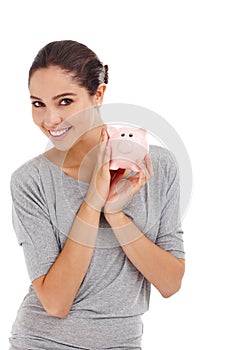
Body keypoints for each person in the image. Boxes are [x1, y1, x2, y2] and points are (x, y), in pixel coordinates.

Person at [9, 40, 185, 350]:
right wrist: (92, 203)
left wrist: (116, 214)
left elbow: (170, 283)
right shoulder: (30, 181)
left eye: (65, 101)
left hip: (123, 343)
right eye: (38, 104)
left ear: (99, 95)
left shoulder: (157, 166)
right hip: (42, 341)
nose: (50, 119)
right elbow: (55, 302)